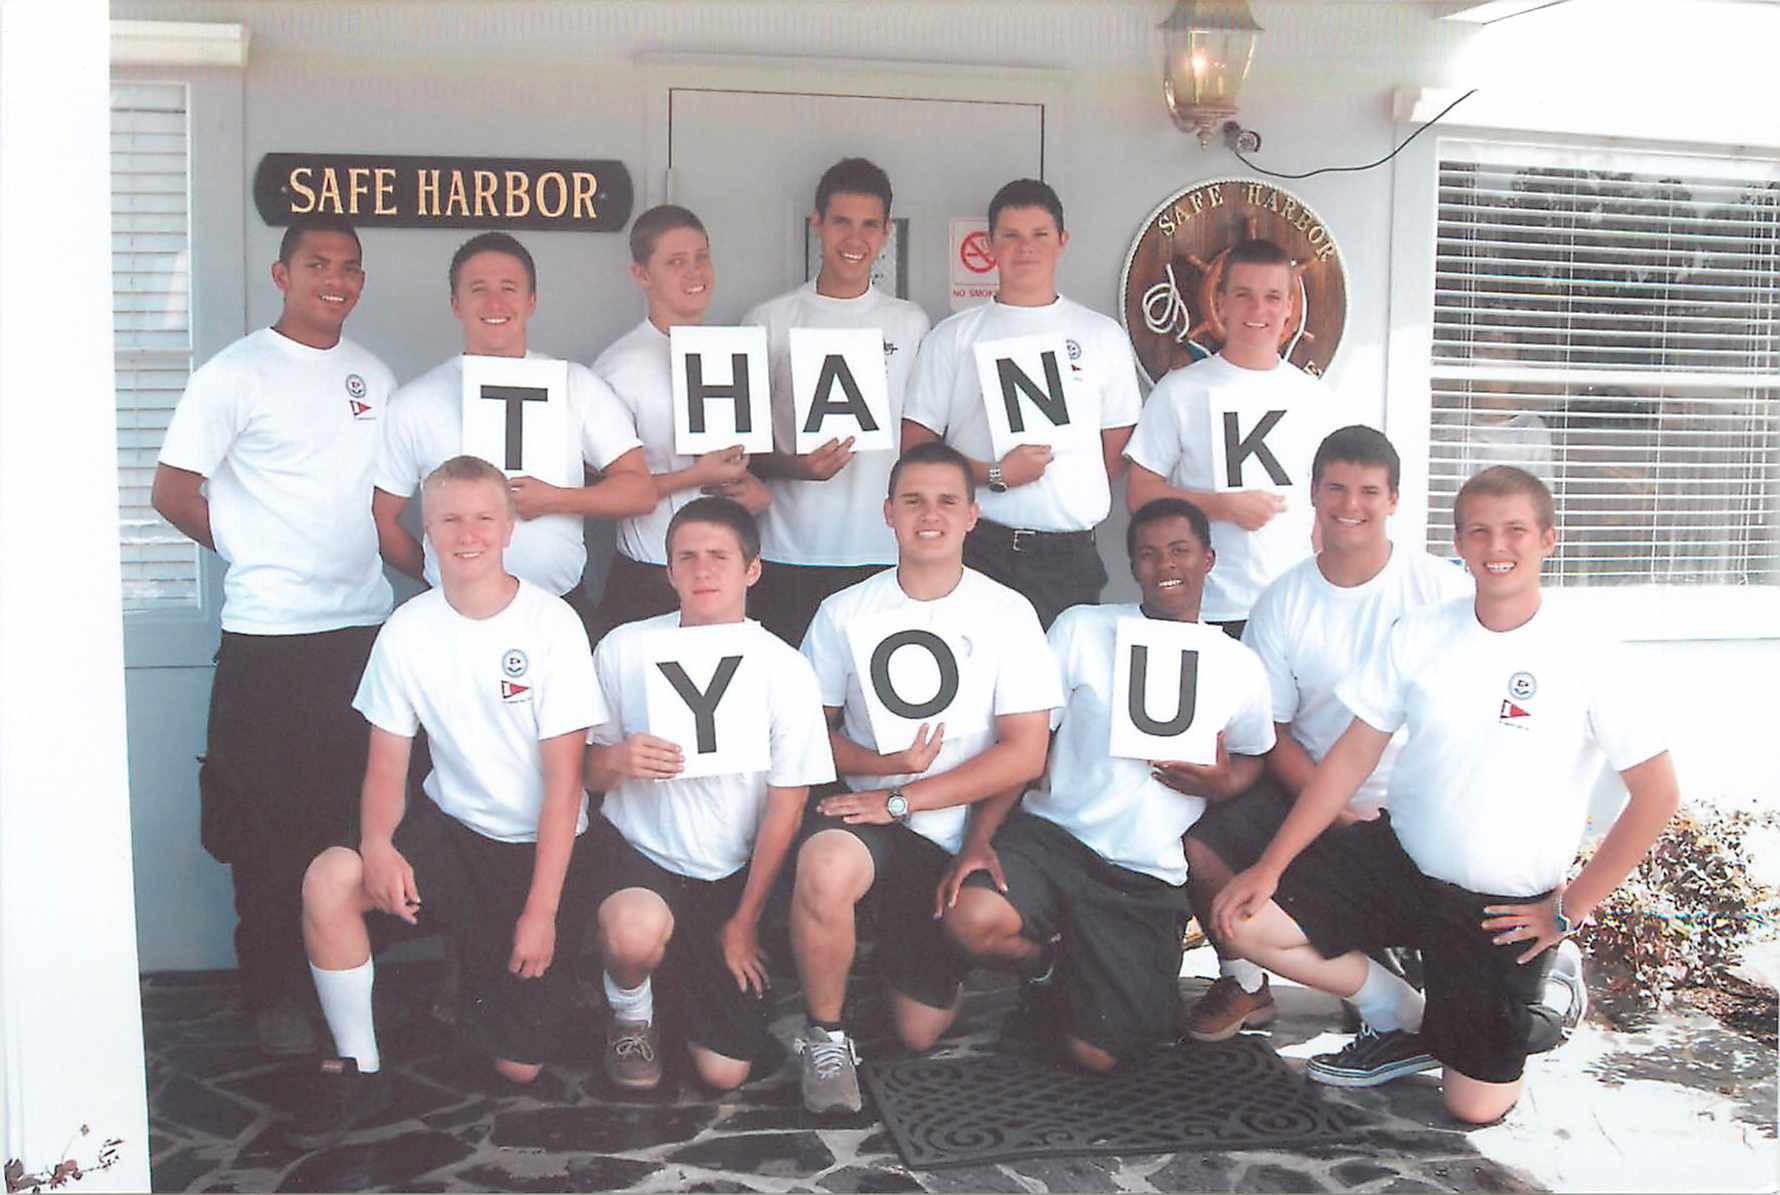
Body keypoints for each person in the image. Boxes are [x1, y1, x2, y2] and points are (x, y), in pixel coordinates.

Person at [1212, 466, 1679, 1125]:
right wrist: (1272, 865)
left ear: (1549, 539)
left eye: (1516, 529)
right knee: (1247, 919)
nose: (1497, 546)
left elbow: (1657, 794)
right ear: (1457, 541)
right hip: (1402, 861)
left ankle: (1554, 977)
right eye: (1480, 530)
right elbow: (1351, 754)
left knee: (1475, 1107)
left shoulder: (1590, 651)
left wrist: (1568, 910)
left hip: (1502, 907)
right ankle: (1402, 1016)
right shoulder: (1422, 633)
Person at [290, 456, 602, 1148]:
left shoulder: (552, 625)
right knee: (329, 879)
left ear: (510, 527)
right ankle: (359, 1068)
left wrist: (541, 911)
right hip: (452, 832)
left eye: (483, 517)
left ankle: (489, 977)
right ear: (426, 529)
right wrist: (376, 845)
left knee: (517, 1068)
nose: (467, 534)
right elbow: (386, 767)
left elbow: (564, 785)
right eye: (449, 518)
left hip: (538, 851)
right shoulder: (408, 628)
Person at [152, 213, 395, 1056]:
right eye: (318, 262)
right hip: (268, 638)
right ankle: (273, 998)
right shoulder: (235, 373)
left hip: (361, 632)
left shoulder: (374, 375)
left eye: (350, 266)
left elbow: (384, 500)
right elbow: (173, 489)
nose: (336, 278)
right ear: (281, 273)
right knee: (265, 829)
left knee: (351, 820)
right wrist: (252, 548)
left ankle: (347, 984)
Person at [942, 497, 1275, 1072]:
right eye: (1146, 554)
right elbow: (1026, 743)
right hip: (1055, 840)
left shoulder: (1237, 663)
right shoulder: (1082, 628)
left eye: (1179, 550)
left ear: (1209, 559)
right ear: (1132, 567)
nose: (1163, 564)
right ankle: (1049, 965)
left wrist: (1219, 783)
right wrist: (980, 837)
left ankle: (1082, 980)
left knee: (1100, 1055)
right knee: (971, 918)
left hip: (1143, 872)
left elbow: (1254, 759)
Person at [790, 440, 1061, 1113]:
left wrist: (907, 797)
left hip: (958, 826)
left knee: (918, 1032)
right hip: (872, 822)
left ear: (973, 514)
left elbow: (1026, 751)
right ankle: (826, 1037)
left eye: (946, 500)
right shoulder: (845, 611)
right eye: (913, 500)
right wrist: (882, 774)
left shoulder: (1007, 612)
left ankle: (999, 959)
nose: (929, 515)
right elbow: (801, 735)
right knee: (823, 864)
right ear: (888, 513)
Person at [1180, 426, 1471, 1041]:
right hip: (1313, 798)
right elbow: (1273, 731)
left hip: (1426, 814)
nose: (1350, 505)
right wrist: (1335, 813)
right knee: (1201, 842)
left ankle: (1409, 963)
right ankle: (1251, 986)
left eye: (1369, 491)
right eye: (1336, 488)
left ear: (1394, 499)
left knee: (1472, 1048)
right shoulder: (1284, 601)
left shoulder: (1445, 591)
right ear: (1313, 493)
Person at [585, 497, 834, 1092]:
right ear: (667, 571)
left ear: (752, 569)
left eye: (719, 557)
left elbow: (788, 804)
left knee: (724, 1073)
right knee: (633, 931)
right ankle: (632, 1010)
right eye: (686, 557)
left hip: (729, 872)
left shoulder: (784, 666)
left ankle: (682, 983)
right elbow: (585, 775)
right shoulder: (624, 648)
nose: (702, 571)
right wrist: (618, 760)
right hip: (643, 855)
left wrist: (745, 919)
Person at [373, 232, 654, 631]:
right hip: (451, 616)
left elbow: (640, 490)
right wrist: (444, 573)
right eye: (478, 290)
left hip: (559, 610)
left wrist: (558, 500)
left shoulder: (576, 384)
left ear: (531, 301)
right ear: (456, 304)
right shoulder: (415, 401)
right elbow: (382, 518)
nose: (495, 304)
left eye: (509, 288)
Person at [902, 178, 1142, 628]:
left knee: (1056, 690)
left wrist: (1060, 493)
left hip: (1068, 556)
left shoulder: (1101, 335)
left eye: (1040, 235)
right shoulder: (952, 337)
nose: (1025, 248)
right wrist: (995, 476)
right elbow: (917, 447)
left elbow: (1114, 450)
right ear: (990, 244)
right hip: (978, 546)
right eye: (1010, 235)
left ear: (1062, 241)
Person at [744, 157, 930, 646]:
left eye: (870, 225)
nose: (855, 239)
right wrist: (793, 466)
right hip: (787, 551)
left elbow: (919, 441)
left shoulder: (909, 323)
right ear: (817, 225)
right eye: (841, 222)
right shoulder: (769, 319)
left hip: (879, 550)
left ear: (887, 231)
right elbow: (735, 447)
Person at [1125, 238, 1339, 639]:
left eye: (1273, 297)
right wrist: (1221, 506)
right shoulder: (1179, 391)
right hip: (1205, 608)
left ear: (1291, 308)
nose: (1259, 311)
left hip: (1291, 609)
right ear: (1220, 302)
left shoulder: (1316, 399)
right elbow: (1139, 494)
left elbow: (1330, 507)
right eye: (1244, 295)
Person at [588, 205, 770, 641]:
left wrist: (754, 491)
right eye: (675, 262)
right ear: (641, 274)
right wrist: (694, 476)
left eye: (701, 257)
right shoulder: (618, 366)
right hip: (651, 573)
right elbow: (598, 489)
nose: (694, 272)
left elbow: (746, 464)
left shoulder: (734, 352)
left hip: (727, 579)